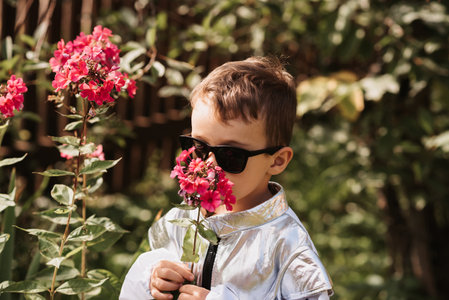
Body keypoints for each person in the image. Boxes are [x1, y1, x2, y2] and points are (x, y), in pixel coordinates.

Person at [120, 56, 333, 300]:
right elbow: (149, 270)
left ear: (277, 160)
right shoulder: (183, 218)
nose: (209, 166)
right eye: (199, 147)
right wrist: (153, 279)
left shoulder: (286, 245)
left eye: (230, 155)